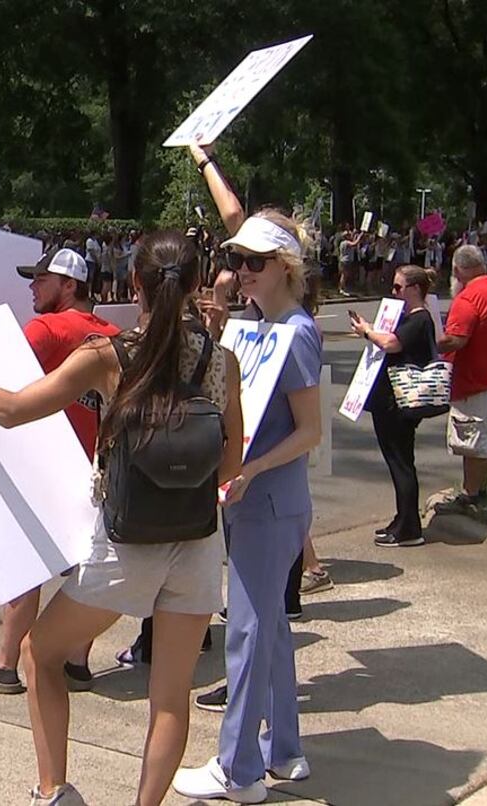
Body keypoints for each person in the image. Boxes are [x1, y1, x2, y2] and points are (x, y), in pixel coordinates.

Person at [0, 229, 243, 806]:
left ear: (132, 283)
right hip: (197, 541)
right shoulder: (222, 361)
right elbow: (230, 462)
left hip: (128, 543)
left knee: (40, 653)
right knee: (170, 698)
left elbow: (10, 411)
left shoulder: (109, 356)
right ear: (195, 286)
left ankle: (53, 790)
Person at [171, 143, 322, 805]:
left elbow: (310, 432)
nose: (240, 272)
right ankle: (284, 751)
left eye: (254, 263)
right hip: (254, 496)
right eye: (236, 261)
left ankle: (238, 769)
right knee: (272, 630)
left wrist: (249, 469)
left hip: (268, 498)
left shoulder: (297, 333)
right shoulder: (254, 326)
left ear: (284, 267)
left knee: (251, 629)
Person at [0, 247, 122, 698]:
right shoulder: (112, 333)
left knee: (24, 566)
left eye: (41, 280)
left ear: (68, 285)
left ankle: (5, 667)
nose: (32, 287)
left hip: (43, 467)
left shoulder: (47, 328)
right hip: (96, 469)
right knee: (86, 565)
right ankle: (77, 662)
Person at [350, 266, 440, 546]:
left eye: (398, 287)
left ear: (414, 290)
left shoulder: (420, 318)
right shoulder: (410, 317)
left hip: (399, 403)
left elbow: (391, 343)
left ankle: (410, 528)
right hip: (391, 401)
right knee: (399, 462)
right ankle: (403, 518)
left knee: (401, 464)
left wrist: (367, 331)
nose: (394, 292)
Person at [435, 245, 487, 510]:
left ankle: (469, 496)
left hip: (476, 385)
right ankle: (480, 491)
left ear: (457, 270)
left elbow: (456, 340)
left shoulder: (469, 298)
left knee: (472, 445)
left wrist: (429, 340)